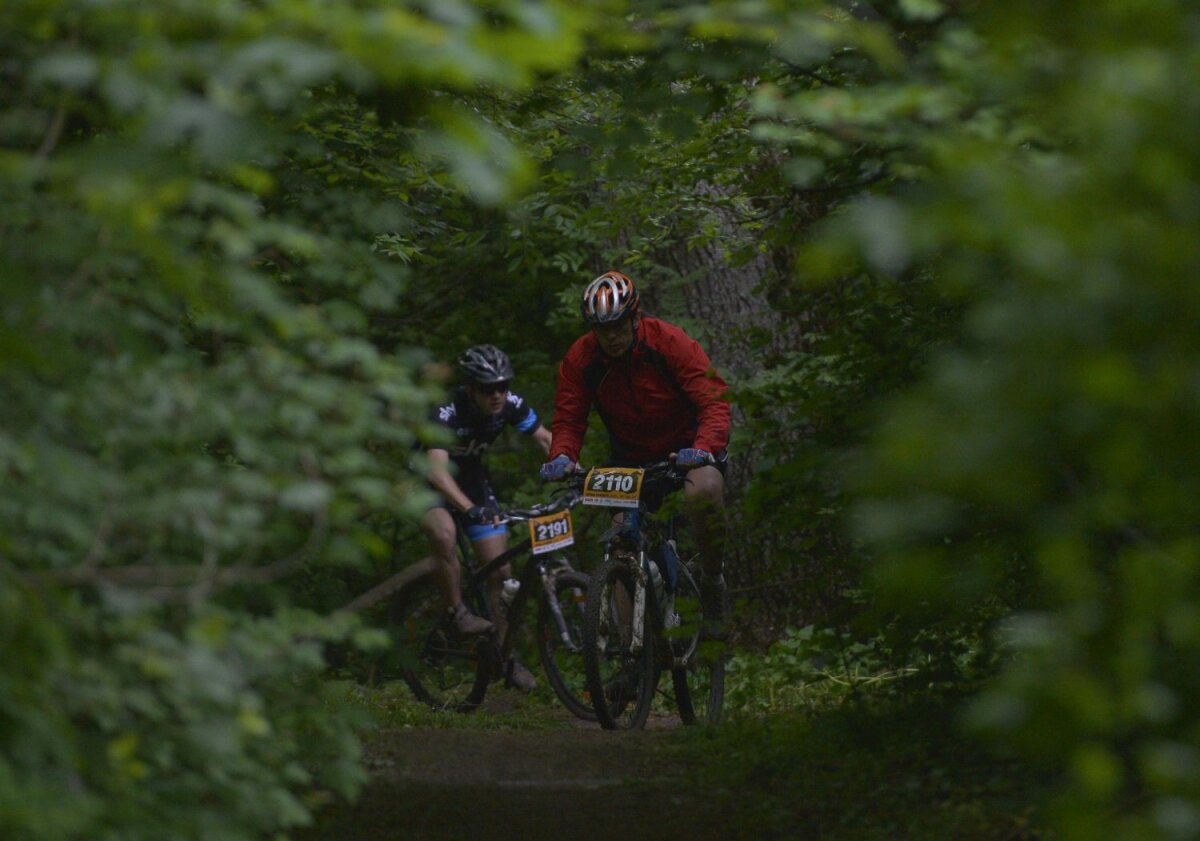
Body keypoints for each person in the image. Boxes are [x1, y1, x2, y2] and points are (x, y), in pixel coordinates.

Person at [539, 270, 732, 632]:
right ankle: (633, 658)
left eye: (618, 325)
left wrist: (702, 447)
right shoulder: (582, 358)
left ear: (635, 317)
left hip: (687, 449)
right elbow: (568, 418)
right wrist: (562, 456)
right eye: (601, 328)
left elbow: (715, 402)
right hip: (631, 458)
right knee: (621, 545)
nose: (610, 336)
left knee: (704, 490)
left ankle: (712, 577)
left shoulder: (669, 342)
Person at [419, 344, 551, 691]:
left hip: (471, 480)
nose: (498, 395)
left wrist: (579, 473)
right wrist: (466, 508)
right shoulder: (445, 411)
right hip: (428, 482)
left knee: (500, 574)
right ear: (470, 388)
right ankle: (456, 613)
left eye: (503, 386)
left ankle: (506, 660)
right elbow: (435, 470)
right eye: (488, 388)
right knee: (445, 535)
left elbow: (544, 438)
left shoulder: (509, 404)